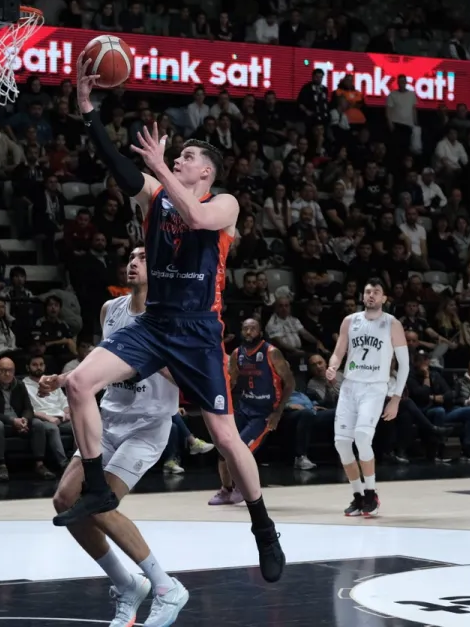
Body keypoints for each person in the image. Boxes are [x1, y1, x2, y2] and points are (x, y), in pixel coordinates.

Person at [40, 51, 283, 582]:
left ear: (206, 171)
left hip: (198, 331)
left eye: (188, 156)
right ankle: (97, 486)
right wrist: (87, 110)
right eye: (178, 155)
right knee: (78, 383)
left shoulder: (225, 204)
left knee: (224, 435)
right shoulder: (155, 197)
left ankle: (263, 527)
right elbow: (116, 164)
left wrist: (159, 169)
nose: (179, 159)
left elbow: (194, 217)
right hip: (154, 325)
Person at [47, 246, 189, 626]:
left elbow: (188, 378)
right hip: (107, 420)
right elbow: (101, 362)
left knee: (100, 503)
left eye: (142, 258)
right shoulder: (111, 310)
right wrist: (64, 379)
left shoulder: (172, 318)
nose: (133, 263)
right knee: (64, 499)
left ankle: (166, 587)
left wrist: (143, 360)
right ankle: (127, 585)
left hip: (148, 426)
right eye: (130, 257)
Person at [325, 279, 409, 517]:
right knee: (342, 444)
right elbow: (338, 352)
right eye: (368, 291)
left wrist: (395, 398)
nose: (371, 295)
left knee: (362, 438)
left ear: (384, 298)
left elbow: (404, 364)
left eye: (376, 292)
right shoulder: (350, 321)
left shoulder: (392, 324)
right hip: (350, 386)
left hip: (374, 388)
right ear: (363, 296)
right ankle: (358, 496)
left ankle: (371, 493)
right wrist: (332, 367)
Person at [209, 318, 293, 505]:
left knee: (240, 451)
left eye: (252, 329)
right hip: (243, 408)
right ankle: (226, 490)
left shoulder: (272, 353)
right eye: (245, 328)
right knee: (223, 448)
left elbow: (290, 383)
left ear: (260, 332)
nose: (248, 332)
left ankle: (242, 488)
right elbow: (231, 382)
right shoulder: (237, 354)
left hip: (264, 413)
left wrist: (278, 412)